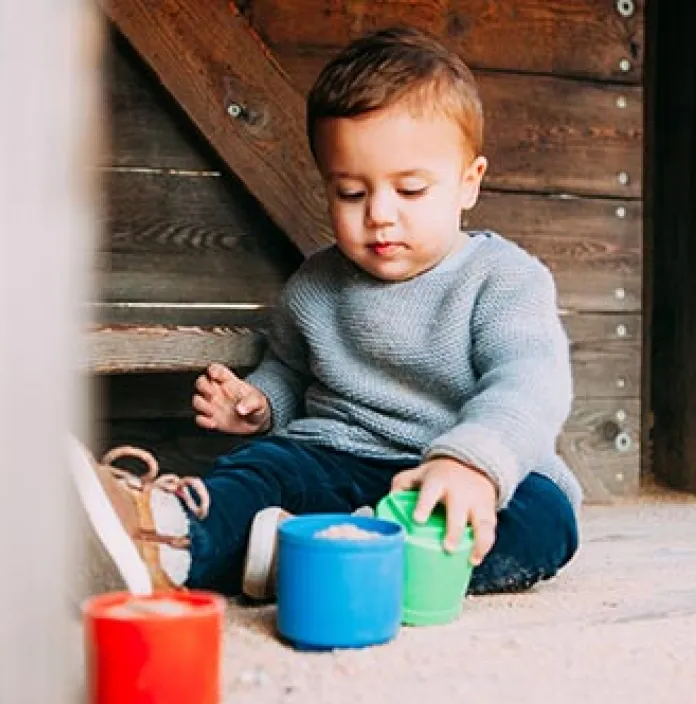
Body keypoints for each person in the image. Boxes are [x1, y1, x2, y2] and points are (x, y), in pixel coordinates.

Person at [74, 26, 580, 602]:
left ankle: (322, 559)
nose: (380, 216)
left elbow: (530, 383)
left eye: (410, 190)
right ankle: (170, 537)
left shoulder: (504, 279)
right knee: (261, 471)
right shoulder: (315, 285)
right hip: (337, 457)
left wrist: (473, 464)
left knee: (547, 518)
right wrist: (262, 406)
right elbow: (290, 369)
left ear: (469, 183)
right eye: (351, 193)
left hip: (456, 476)